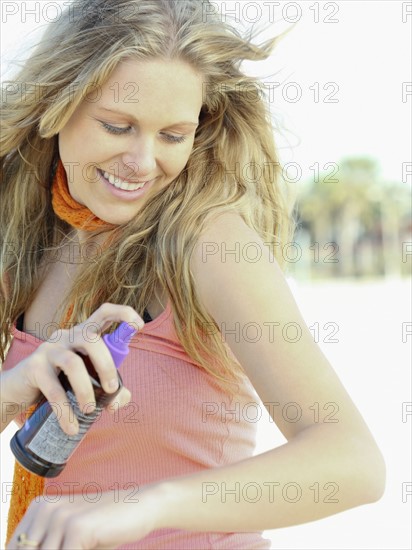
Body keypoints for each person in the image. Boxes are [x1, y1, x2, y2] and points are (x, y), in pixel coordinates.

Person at [0, 1, 386, 549]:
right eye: (118, 125)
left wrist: (151, 502)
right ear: (55, 105)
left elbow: (353, 460)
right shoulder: (29, 243)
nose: (142, 161)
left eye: (173, 135)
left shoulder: (209, 243)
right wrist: (14, 388)